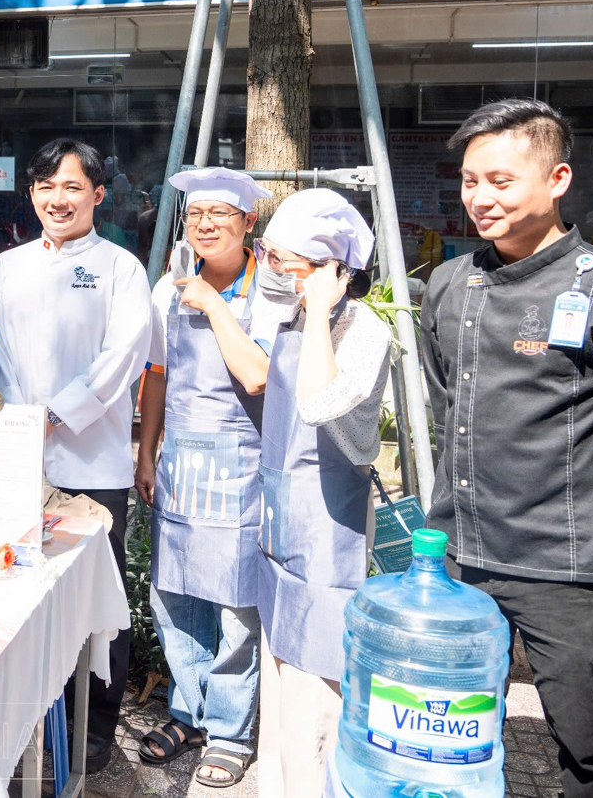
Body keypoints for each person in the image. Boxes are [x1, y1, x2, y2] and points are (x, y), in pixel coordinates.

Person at [422, 99, 593, 798]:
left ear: (558, 178)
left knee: (589, 748)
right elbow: (446, 404)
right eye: (470, 180)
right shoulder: (450, 284)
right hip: (459, 556)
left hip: (568, 570)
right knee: (446, 732)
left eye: (501, 180)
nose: (480, 197)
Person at [0, 139, 151, 774]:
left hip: (92, 466)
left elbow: (122, 358)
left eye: (73, 187)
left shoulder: (120, 268)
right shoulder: (7, 268)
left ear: (98, 195)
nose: (59, 199)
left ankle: (94, 731)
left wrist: (53, 416)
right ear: (31, 194)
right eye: (47, 187)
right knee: (22, 595)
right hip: (18, 460)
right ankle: (29, 721)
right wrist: (19, 421)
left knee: (99, 605)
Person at [135, 168, 298, 788]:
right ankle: (189, 711)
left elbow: (258, 375)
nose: (204, 225)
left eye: (219, 214)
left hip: (242, 467)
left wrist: (211, 303)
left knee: (235, 604)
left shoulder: (274, 291)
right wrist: (147, 453)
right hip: (182, 464)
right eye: (195, 214)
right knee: (174, 594)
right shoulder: (167, 288)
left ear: (248, 223)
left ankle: (230, 730)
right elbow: (157, 374)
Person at [251, 188, 392, 798]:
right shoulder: (288, 318)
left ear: (333, 269)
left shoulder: (365, 329)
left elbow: (318, 402)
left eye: (285, 261)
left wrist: (317, 312)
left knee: (317, 685)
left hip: (329, 527)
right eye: (268, 255)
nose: (272, 271)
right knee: (281, 672)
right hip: (282, 519)